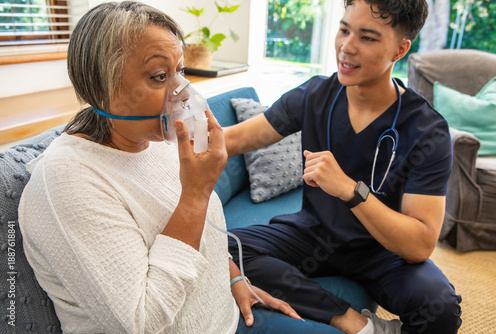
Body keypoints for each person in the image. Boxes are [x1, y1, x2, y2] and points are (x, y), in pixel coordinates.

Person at [18, 2, 301, 333]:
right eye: (159, 76)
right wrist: (195, 194)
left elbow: (200, 234)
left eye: (180, 71)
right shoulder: (66, 183)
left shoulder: (156, 140)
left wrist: (234, 277)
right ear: (101, 86)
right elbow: (142, 322)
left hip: (231, 316)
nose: (183, 93)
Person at [225, 0, 462, 333]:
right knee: (226, 246)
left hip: (381, 249)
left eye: (367, 38)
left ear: (400, 49)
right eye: (344, 30)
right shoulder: (315, 95)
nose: (346, 48)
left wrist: (352, 191)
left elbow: (420, 244)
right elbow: (232, 140)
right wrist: (181, 130)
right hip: (313, 234)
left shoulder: (427, 130)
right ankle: (354, 322)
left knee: (440, 307)